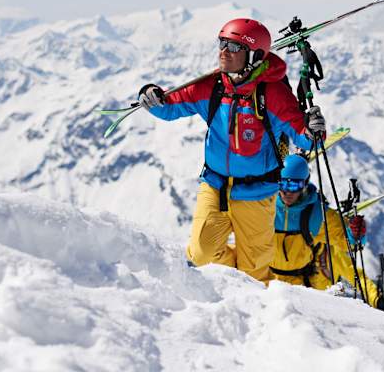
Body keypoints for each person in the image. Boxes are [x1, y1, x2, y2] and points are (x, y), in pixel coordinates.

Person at [137, 18, 326, 283]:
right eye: (222, 43)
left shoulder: (273, 94)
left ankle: (256, 314)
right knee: (200, 255)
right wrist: (150, 94)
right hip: (215, 185)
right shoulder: (212, 87)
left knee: (254, 271)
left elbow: (304, 137)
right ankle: (230, 276)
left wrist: (314, 130)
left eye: (234, 47)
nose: (223, 51)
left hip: (257, 192)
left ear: (254, 56)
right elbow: (169, 107)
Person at [270, 154, 384, 311]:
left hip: (302, 288)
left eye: (294, 186)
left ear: (304, 185)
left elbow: (347, 246)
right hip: (267, 280)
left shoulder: (316, 215)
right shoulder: (264, 205)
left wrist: (355, 236)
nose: (287, 192)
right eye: (283, 185)